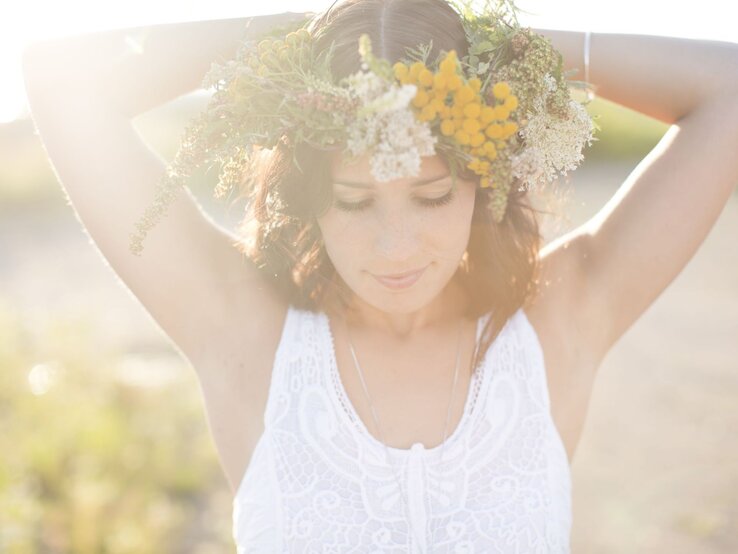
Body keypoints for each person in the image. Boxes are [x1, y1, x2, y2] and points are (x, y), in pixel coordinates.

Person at [21, 0, 738, 552]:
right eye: (355, 201)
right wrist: (303, 46)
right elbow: (60, 80)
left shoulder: (562, 317)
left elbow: (728, 85)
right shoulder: (244, 330)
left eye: (431, 197)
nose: (396, 246)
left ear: (483, 184)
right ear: (310, 199)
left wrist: (498, 59)